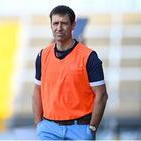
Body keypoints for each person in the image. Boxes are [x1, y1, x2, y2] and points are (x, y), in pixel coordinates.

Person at [32, 5, 108, 140]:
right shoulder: (42, 55)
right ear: (51, 25)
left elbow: (101, 95)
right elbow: (37, 90)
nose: (59, 28)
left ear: (73, 26)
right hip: (48, 129)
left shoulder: (89, 57)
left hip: (79, 129)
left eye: (64, 23)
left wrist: (92, 128)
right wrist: (39, 124)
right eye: (55, 23)